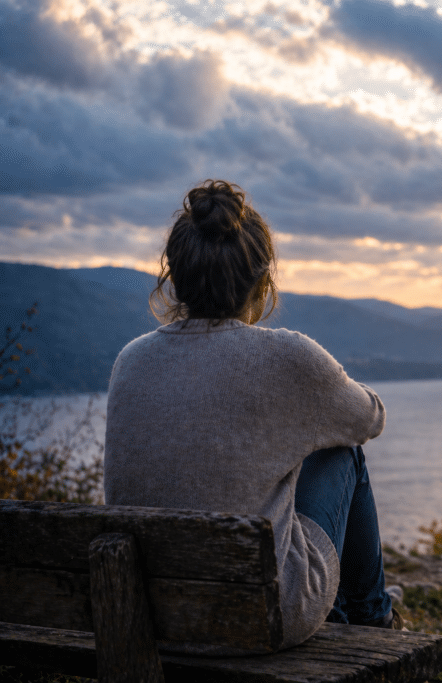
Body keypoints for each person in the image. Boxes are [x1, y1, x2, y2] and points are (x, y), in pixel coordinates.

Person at [103, 179, 399, 653]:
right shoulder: (287, 355)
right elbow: (370, 418)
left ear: (174, 277)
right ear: (263, 281)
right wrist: (313, 403)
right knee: (342, 452)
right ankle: (372, 617)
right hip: (259, 618)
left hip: (154, 613)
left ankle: (359, 609)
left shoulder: (130, 360)